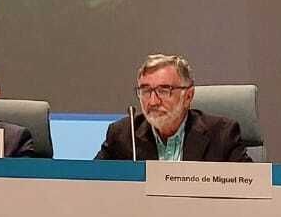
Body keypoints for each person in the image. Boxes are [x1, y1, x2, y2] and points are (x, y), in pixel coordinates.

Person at [95, 53, 252, 162]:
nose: (153, 101)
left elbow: (252, 189)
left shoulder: (222, 135)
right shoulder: (122, 135)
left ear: (188, 96)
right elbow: (91, 184)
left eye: (164, 90)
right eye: (145, 91)